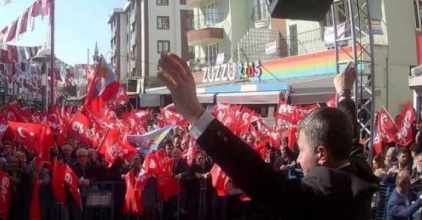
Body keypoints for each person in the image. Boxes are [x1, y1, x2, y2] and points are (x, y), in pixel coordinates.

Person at [157, 52, 378, 219]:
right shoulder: (359, 172)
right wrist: (344, 94)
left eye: (301, 150)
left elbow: (259, 177)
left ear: (321, 153)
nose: (298, 159)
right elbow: (350, 137)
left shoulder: (322, 194)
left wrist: (195, 113)